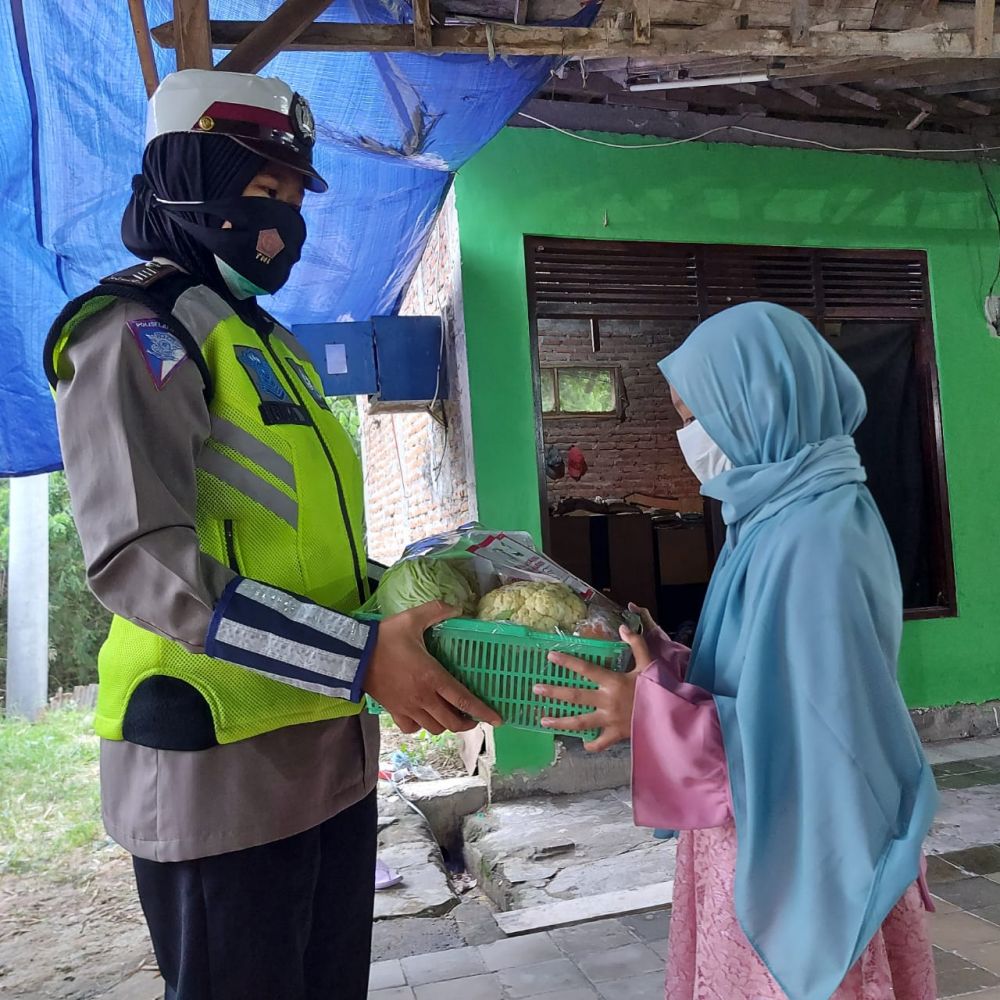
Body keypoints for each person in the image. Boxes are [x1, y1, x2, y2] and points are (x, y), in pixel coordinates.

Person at [44, 69, 500, 1000]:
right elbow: (140, 563)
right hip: (222, 764)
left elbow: (303, 548)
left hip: (325, 758)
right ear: (188, 181)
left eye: (294, 197)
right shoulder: (139, 330)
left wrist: (425, 600)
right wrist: (360, 658)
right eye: (263, 192)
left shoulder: (266, 343)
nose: (286, 221)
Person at [535, 302, 938, 1000]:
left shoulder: (818, 538)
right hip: (753, 834)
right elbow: (763, 680)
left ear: (761, 406)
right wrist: (664, 663)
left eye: (694, 417)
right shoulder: (775, 516)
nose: (686, 437)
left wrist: (650, 713)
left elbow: (817, 737)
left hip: (804, 854)